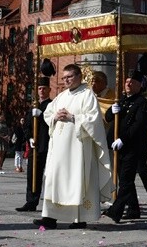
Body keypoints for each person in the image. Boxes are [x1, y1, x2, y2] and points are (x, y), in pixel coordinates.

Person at [35, 64, 112, 229]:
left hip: (77, 148)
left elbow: (94, 120)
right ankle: (49, 217)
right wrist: (55, 116)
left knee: (75, 180)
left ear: (79, 77)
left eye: (69, 77)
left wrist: (72, 117)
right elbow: (48, 113)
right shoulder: (61, 96)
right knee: (54, 179)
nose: (66, 80)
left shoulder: (87, 95)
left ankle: (79, 219)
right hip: (59, 149)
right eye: (64, 77)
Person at [103, 70, 147, 223]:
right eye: (126, 81)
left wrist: (123, 138)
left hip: (132, 146)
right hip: (118, 147)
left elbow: (139, 125)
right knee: (124, 179)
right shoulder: (121, 100)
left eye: (132, 82)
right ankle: (133, 209)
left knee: (125, 181)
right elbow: (108, 118)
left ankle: (115, 211)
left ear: (139, 85)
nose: (128, 84)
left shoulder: (142, 102)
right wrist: (112, 109)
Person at [16, 77, 52, 212]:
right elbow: (26, 125)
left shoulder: (51, 105)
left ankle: (51, 203)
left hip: (47, 144)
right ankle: (31, 201)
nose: (41, 91)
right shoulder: (33, 106)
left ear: (49, 90)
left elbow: (52, 121)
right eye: (39, 88)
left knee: (49, 176)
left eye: (44, 88)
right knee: (32, 175)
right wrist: (29, 137)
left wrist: (41, 115)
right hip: (34, 146)